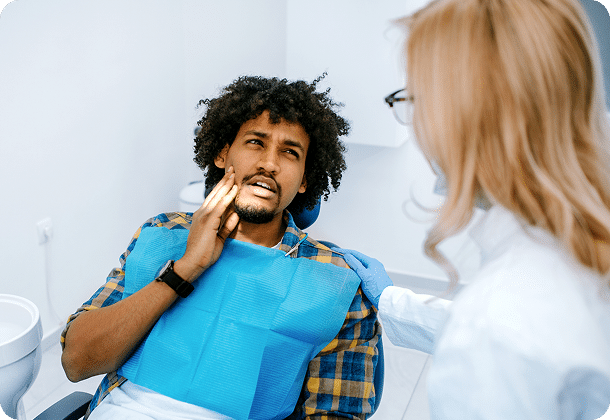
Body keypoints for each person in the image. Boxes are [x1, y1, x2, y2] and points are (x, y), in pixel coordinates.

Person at [340, 0, 610, 418]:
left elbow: (500, 335)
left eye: (414, 99)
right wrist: (392, 300)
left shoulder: (496, 322)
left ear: (464, 117)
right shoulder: (581, 239)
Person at [60, 75, 382, 420]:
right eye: (256, 142)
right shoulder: (161, 233)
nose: (269, 163)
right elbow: (77, 361)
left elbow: (336, 413)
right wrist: (184, 269)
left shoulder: (336, 284)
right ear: (222, 153)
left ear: (305, 179)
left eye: (290, 152)